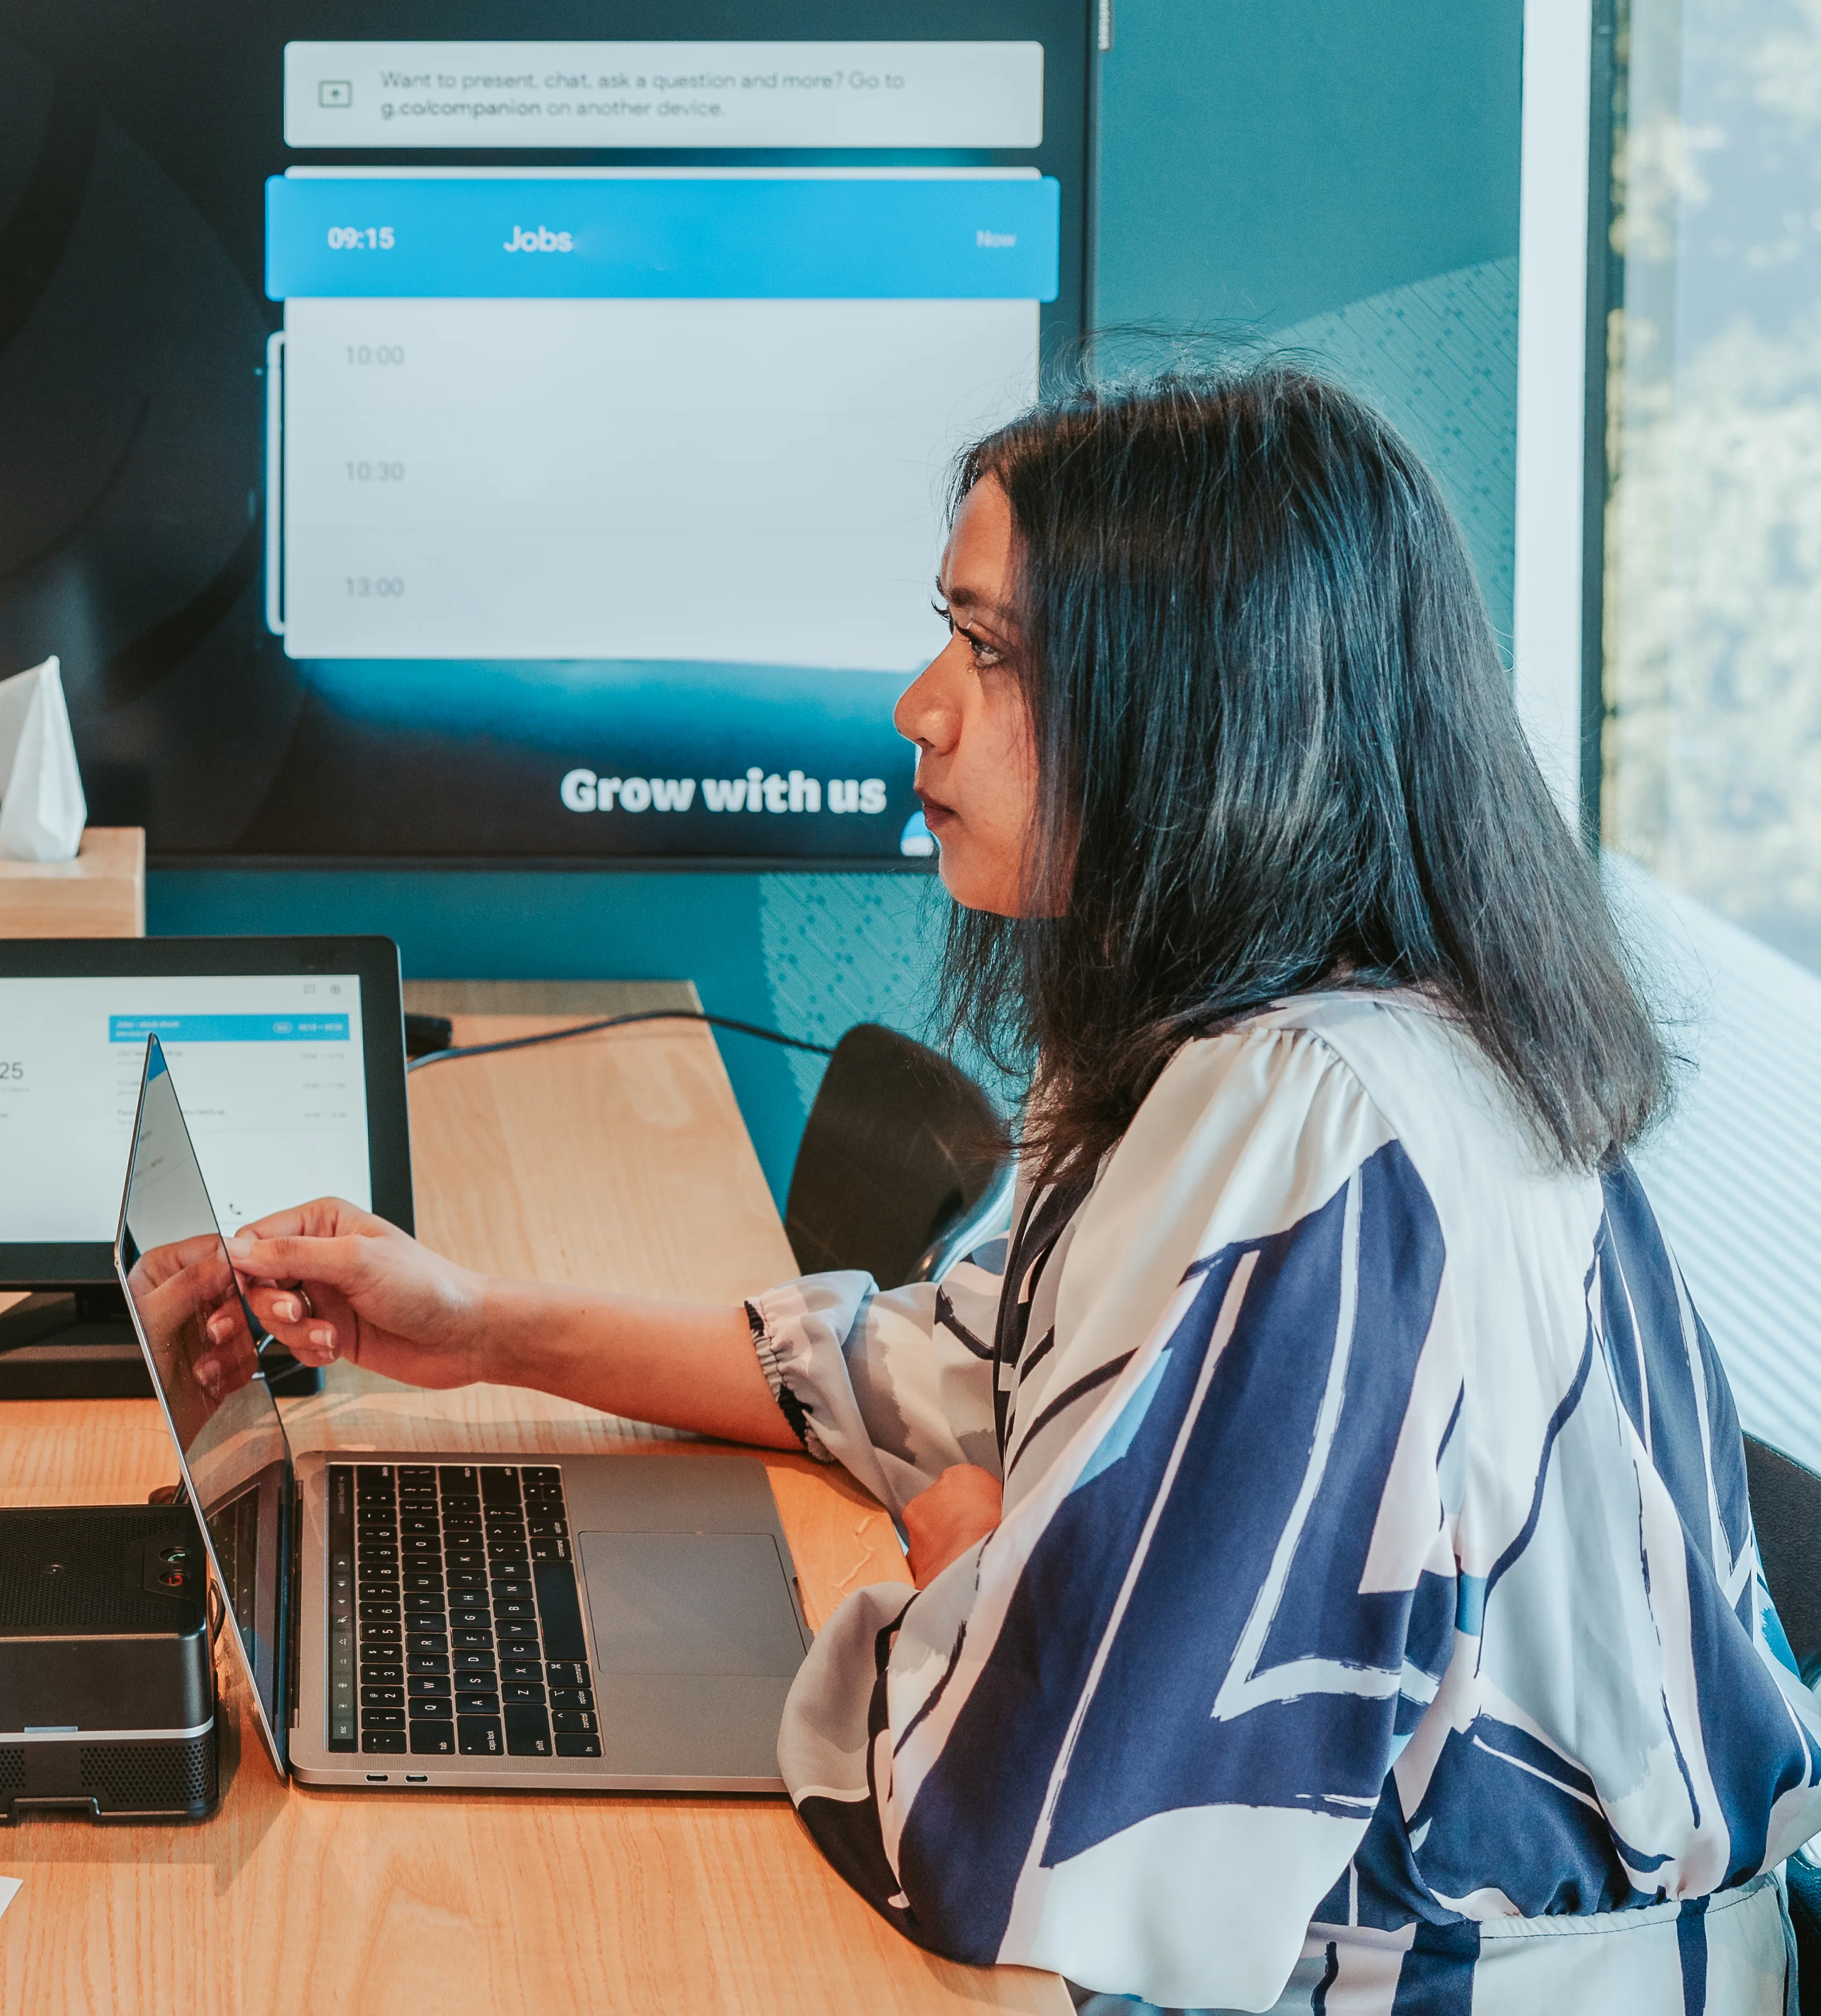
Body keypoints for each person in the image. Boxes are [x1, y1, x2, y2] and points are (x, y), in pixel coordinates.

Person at [216, 367, 1821, 2012]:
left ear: (1198, 704)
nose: (919, 704)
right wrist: (472, 1324)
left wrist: (969, 1550)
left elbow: (1026, 1820)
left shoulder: (1311, 1126)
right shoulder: (1245, 1029)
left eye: (990, 652)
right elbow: (933, 1372)